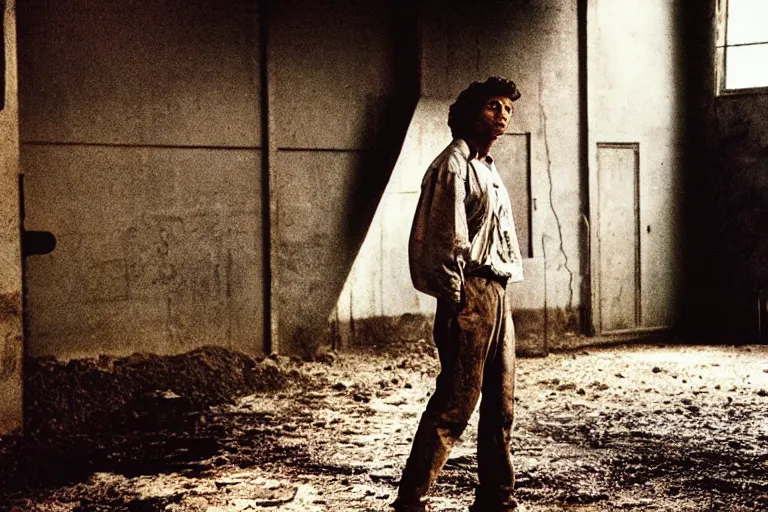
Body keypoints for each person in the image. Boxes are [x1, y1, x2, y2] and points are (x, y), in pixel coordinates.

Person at [392, 77, 525, 512]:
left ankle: (496, 498)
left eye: (507, 108)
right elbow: (444, 242)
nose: (502, 114)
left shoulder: (488, 167)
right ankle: (412, 499)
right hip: (469, 293)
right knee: (456, 402)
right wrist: (455, 302)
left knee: (500, 404)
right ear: (471, 113)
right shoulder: (452, 165)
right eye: (493, 106)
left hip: (497, 292)